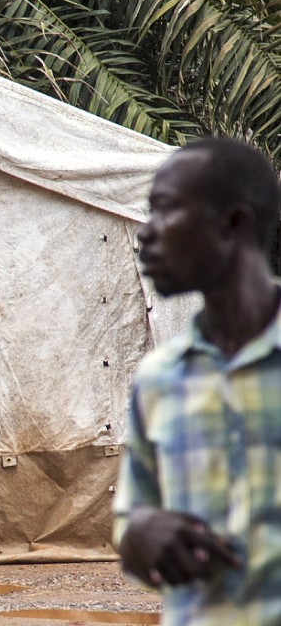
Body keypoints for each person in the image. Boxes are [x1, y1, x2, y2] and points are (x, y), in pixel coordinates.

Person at [114, 139, 281, 624]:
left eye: (164, 210)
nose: (145, 234)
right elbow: (132, 518)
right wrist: (141, 534)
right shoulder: (159, 378)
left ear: (232, 223)